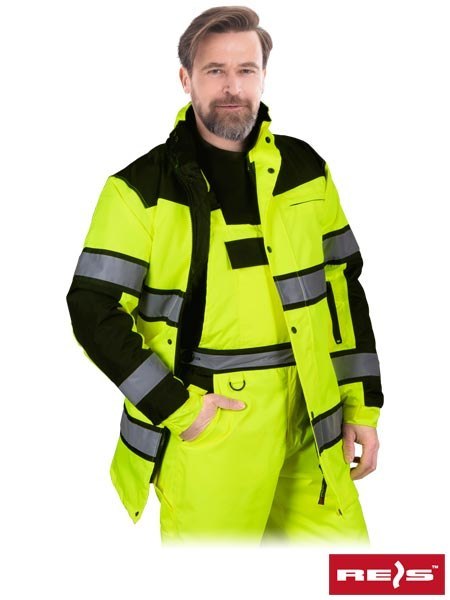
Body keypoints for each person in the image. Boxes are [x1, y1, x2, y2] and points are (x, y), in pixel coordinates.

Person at [66, 6, 383, 544]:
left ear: (263, 75)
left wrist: (362, 406)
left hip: (313, 417)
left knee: (341, 572)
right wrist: (179, 409)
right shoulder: (139, 189)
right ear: (186, 78)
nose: (232, 87)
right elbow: (92, 309)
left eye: (246, 70)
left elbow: (343, 289)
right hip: (214, 424)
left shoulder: (306, 170)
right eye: (215, 70)